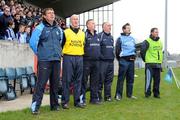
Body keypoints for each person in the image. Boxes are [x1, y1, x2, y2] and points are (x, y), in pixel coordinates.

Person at [29, 8, 63, 115]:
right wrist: (40, 54)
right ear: (44, 16)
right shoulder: (39, 28)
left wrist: (57, 52)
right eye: (49, 13)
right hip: (44, 60)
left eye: (53, 13)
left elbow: (61, 42)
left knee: (55, 84)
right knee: (41, 84)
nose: (52, 15)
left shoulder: (59, 29)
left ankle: (54, 105)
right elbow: (32, 43)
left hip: (56, 60)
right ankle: (35, 107)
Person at [61, 14, 85, 109]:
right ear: (70, 21)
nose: (76, 21)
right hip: (68, 57)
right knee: (67, 80)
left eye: (77, 19)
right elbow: (61, 45)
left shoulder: (82, 33)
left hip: (79, 57)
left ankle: (77, 101)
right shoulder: (65, 32)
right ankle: (65, 101)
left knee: (78, 80)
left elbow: (83, 45)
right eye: (74, 19)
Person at [81, 19, 101, 105]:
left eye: (94, 23)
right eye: (92, 23)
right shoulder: (84, 35)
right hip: (86, 61)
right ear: (88, 25)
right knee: (84, 80)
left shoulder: (97, 35)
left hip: (96, 62)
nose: (94, 25)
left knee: (95, 81)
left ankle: (94, 99)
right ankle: (82, 99)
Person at [115, 23, 137, 100]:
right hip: (123, 61)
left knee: (131, 78)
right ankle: (118, 95)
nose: (129, 29)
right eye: (127, 28)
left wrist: (134, 57)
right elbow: (117, 51)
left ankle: (129, 94)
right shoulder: (120, 38)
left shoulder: (132, 38)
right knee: (121, 79)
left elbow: (135, 49)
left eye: (129, 28)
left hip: (131, 62)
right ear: (123, 29)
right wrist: (120, 60)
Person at [140, 28, 163, 98]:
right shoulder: (147, 41)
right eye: (155, 32)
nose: (157, 33)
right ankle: (147, 94)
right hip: (150, 64)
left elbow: (160, 52)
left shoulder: (160, 41)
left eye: (157, 32)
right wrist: (145, 60)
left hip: (158, 64)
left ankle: (156, 94)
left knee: (157, 80)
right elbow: (142, 51)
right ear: (151, 33)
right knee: (148, 80)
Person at [98, 22, 114, 102]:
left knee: (109, 80)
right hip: (102, 62)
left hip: (111, 62)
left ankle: (107, 96)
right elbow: (97, 49)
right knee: (100, 79)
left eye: (110, 25)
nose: (110, 27)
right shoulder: (100, 36)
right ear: (103, 27)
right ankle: (98, 97)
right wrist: (102, 57)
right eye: (108, 25)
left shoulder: (111, 37)